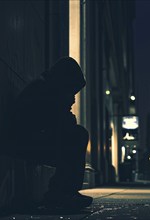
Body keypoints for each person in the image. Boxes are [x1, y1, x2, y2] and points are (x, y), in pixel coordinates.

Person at [9, 57, 92, 209]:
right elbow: (63, 126)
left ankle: (66, 191)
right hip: (26, 145)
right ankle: (60, 193)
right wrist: (64, 106)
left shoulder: (47, 88)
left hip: (33, 141)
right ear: (65, 82)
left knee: (76, 135)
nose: (73, 98)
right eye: (71, 91)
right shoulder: (45, 91)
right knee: (77, 136)